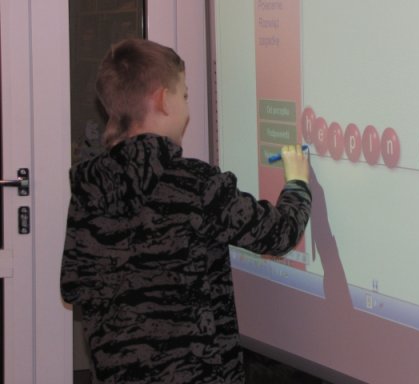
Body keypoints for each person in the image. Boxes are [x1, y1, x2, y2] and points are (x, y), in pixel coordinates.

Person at [60, 38, 311, 384]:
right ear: (163, 99)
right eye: (185, 96)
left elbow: (73, 286)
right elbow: (279, 233)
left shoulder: (90, 186)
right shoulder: (196, 184)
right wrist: (296, 182)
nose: (188, 110)